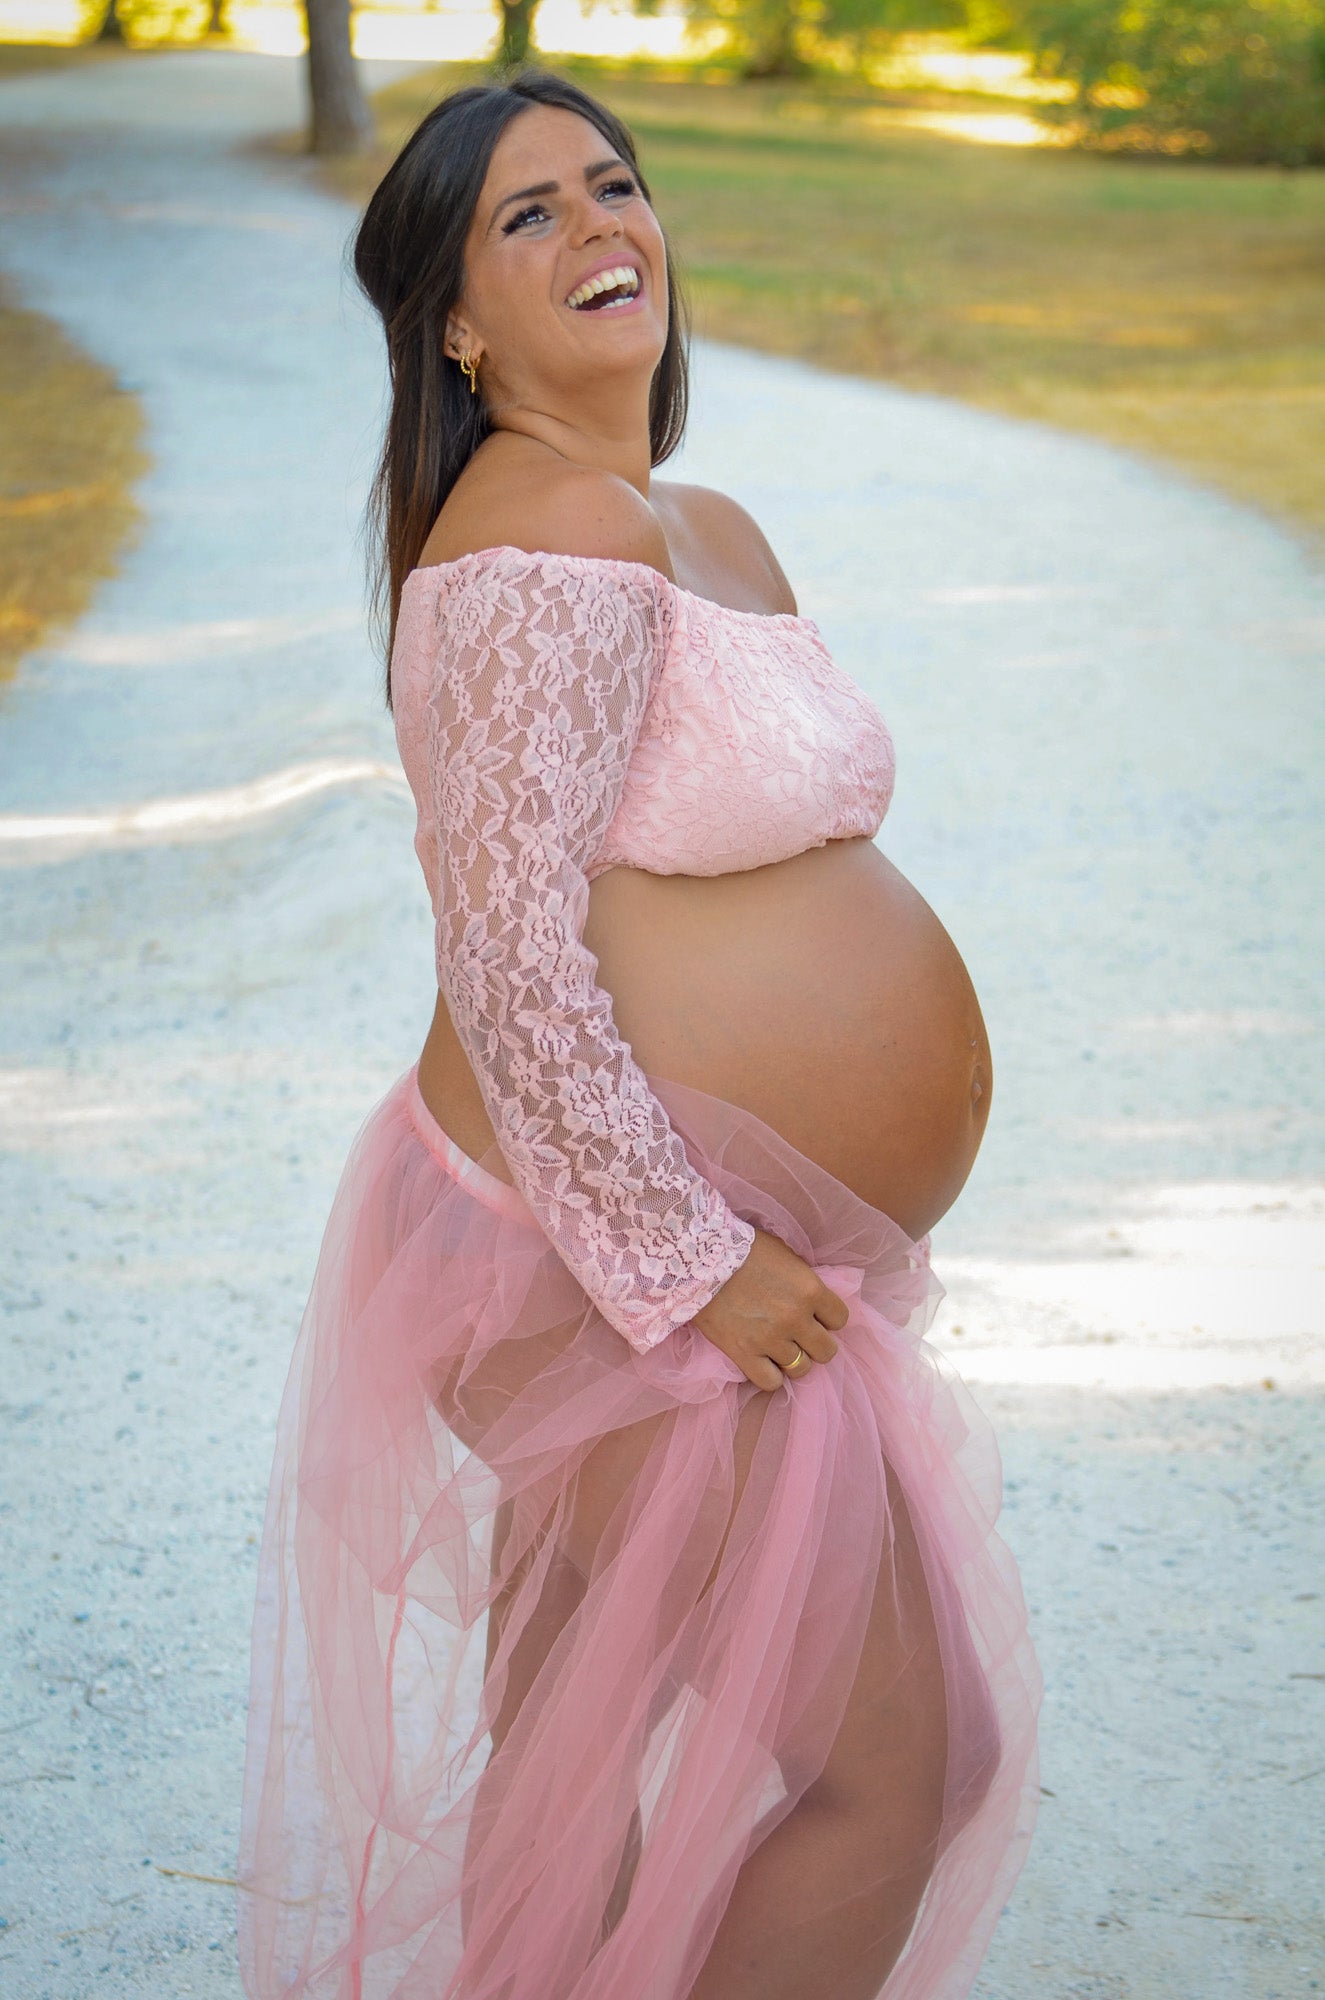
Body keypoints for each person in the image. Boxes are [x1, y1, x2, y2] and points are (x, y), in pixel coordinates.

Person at [236, 66, 1041, 2000]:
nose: (601, 227)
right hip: (599, 1266)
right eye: (529, 215)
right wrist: (691, 1267)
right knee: (904, 1769)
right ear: (452, 319)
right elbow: (508, 954)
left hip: (675, 1246)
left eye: (614, 186)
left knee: (571, 1766)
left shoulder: (698, 527)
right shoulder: (537, 549)